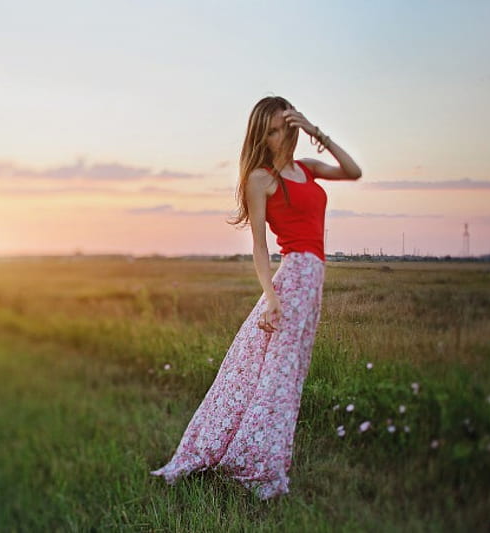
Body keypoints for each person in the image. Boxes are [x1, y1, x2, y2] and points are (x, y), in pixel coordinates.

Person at [150, 95, 362, 500]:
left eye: (284, 127)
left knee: (285, 375)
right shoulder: (260, 179)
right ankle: (258, 466)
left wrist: (319, 133)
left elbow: (353, 171)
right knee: (271, 377)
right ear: (260, 137)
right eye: (270, 131)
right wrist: (269, 296)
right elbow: (261, 246)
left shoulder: (307, 170)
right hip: (292, 278)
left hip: (312, 281)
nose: (279, 136)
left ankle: (255, 455)